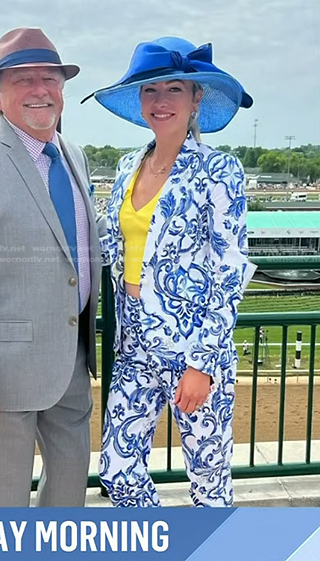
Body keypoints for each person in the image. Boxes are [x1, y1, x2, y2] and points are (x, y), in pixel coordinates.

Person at [84, 36, 254, 507]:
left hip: (194, 348)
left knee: (208, 478)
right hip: (135, 344)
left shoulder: (218, 170)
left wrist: (202, 363)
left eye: (173, 89)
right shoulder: (126, 167)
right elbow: (110, 244)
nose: (160, 101)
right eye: (149, 90)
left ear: (196, 97)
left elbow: (229, 270)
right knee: (117, 470)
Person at [0, 27, 106, 506]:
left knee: (68, 497)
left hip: (72, 359)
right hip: (8, 366)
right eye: (24, 79)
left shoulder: (74, 155)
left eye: (51, 78)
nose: (40, 89)